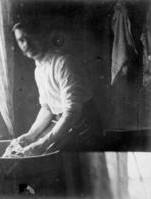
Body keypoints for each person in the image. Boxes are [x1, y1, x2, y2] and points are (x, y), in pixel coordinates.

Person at [11, 21, 103, 156]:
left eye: (30, 37)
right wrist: (31, 135)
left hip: (85, 128)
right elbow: (47, 108)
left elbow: (71, 113)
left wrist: (43, 143)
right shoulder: (39, 70)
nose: (27, 44)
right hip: (66, 124)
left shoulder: (64, 63)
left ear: (42, 35)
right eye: (21, 40)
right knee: (32, 152)